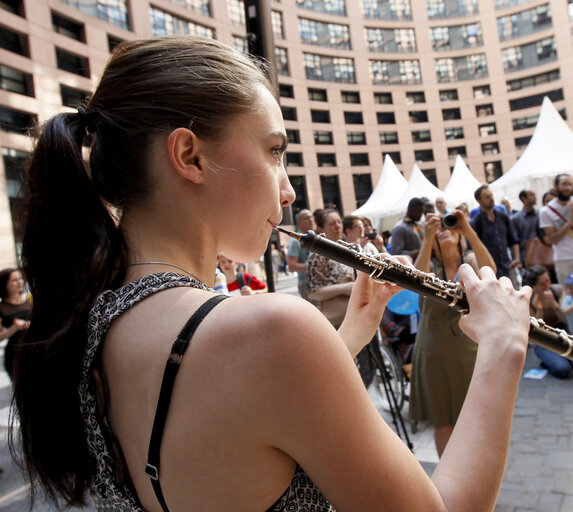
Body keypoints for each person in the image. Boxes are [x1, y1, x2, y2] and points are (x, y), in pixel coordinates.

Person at [13, 37, 533, 512]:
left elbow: (232, 420)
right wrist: (502, 346)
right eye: (274, 151)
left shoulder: (94, 321)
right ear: (189, 156)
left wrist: (350, 333)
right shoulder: (271, 332)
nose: (287, 191)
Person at [410, 209, 499, 457]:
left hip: (468, 354)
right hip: (434, 354)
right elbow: (415, 281)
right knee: (444, 423)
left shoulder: (469, 261)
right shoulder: (430, 264)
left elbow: (490, 270)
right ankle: (446, 475)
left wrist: (467, 229)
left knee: (473, 419)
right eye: (440, 231)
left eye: (449, 228)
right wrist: (427, 238)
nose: (445, 231)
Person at [306, 209, 355, 328]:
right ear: (320, 229)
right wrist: (345, 288)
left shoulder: (346, 248)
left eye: (339, 222)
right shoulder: (317, 255)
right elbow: (313, 293)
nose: (337, 226)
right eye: (332, 223)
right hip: (335, 322)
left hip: (353, 315)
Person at [522, 265, 573, 379]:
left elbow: (567, 321)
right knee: (563, 370)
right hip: (545, 342)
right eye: (542, 284)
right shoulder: (528, 301)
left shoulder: (558, 290)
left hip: (564, 336)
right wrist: (539, 309)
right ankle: (549, 361)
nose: (547, 286)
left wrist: (554, 305)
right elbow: (536, 332)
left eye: (548, 281)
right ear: (533, 287)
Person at [471, 184, 520, 283]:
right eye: (487, 197)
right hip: (490, 271)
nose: (491, 199)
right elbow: (473, 248)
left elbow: (513, 239)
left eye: (491, 195)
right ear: (479, 200)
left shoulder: (502, 217)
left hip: (507, 267)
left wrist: (516, 258)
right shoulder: (477, 222)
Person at [0, 268, 31, 376]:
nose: (20, 282)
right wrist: (14, 327)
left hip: (36, 347)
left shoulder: (30, 299)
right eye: (14, 280)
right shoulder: (1, 308)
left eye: (21, 278)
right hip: (16, 353)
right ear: (5, 284)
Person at [286, 209, 315, 301]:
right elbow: (292, 266)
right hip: (307, 285)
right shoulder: (295, 241)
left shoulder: (317, 237)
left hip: (324, 283)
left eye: (311, 217)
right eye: (307, 218)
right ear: (299, 222)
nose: (311, 220)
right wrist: (314, 266)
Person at [510, 189, 539, 267]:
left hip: (542, 256)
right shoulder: (515, 219)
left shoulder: (540, 215)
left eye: (534, 195)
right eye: (531, 195)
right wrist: (517, 259)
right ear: (523, 198)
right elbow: (514, 241)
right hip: (525, 259)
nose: (535, 197)